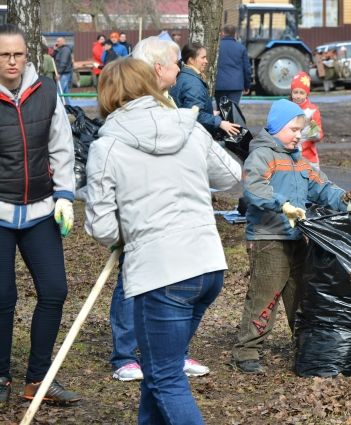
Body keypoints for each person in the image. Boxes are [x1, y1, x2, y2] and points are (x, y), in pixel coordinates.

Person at [84, 57, 242, 424]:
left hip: (162, 275)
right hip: (207, 267)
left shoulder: (106, 147)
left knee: (166, 376)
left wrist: (132, 226)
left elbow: (102, 228)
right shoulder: (189, 128)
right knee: (159, 370)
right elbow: (233, 176)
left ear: (107, 95)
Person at [232, 99, 351, 374]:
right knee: (265, 295)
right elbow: (254, 189)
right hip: (269, 238)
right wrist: (281, 203)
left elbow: (324, 188)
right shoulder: (262, 156)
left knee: (300, 294)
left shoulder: (300, 161)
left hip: (298, 237)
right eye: (294, 130)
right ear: (276, 128)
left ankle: (302, 343)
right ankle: (247, 350)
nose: (299, 135)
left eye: (301, 130)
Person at [102, 36, 211, 382]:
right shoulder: (132, 102)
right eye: (175, 62)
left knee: (172, 281)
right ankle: (124, 355)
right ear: (157, 67)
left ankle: (169, 353)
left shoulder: (168, 100)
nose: (181, 67)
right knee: (131, 278)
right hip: (139, 209)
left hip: (172, 209)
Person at [0, 24, 79, 404]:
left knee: (54, 291)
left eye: (17, 54)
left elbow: (62, 145)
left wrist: (65, 195)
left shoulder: (46, 90)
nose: (12, 61)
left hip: (41, 210)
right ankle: (0, 379)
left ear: (27, 55)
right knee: (2, 296)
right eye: (4, 55)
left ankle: (38, 379)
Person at [170, 43, 240, 138]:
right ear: (191, 60)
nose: (206, 61)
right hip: (194, 136)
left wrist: (210, 112)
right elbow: (194, 114)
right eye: (203, 58)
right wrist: (220, 123)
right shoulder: (192, 83)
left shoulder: (185, 76)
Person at [290, 71, 323, 171]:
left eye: (301, 93)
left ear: (307, 94)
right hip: (290, 155)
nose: (298, 96)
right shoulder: (287, 108)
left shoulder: (312, 110)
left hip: (308, 155)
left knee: (313, 181)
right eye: (295, 92)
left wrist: (314, 132)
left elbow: (319, 133)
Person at [214, 25, 252, 106]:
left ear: (222, 33)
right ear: (235, 34)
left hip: (219, 85)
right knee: (233, 111)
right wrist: (247, 86)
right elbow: (247, 69)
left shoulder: (216, 48)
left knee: (221, 110)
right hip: (236, 86)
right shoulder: (241, 48)